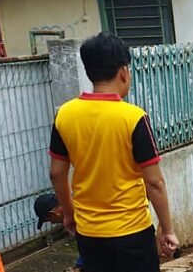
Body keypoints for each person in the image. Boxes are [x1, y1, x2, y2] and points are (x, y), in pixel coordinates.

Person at [49, 33, 179, 272]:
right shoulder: (133, 118)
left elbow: (57, 173)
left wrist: (69, 214)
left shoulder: (65, 115)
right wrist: (167, 229)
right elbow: (154, 182)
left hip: (89, 234)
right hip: (133, 233)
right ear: (123, 71)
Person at [34, 193, 162, 272]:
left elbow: (92, 246)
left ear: (53, 213)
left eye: (49, 220)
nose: (52, 223)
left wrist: (80, 266)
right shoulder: (79, 200)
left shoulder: (78, 215)